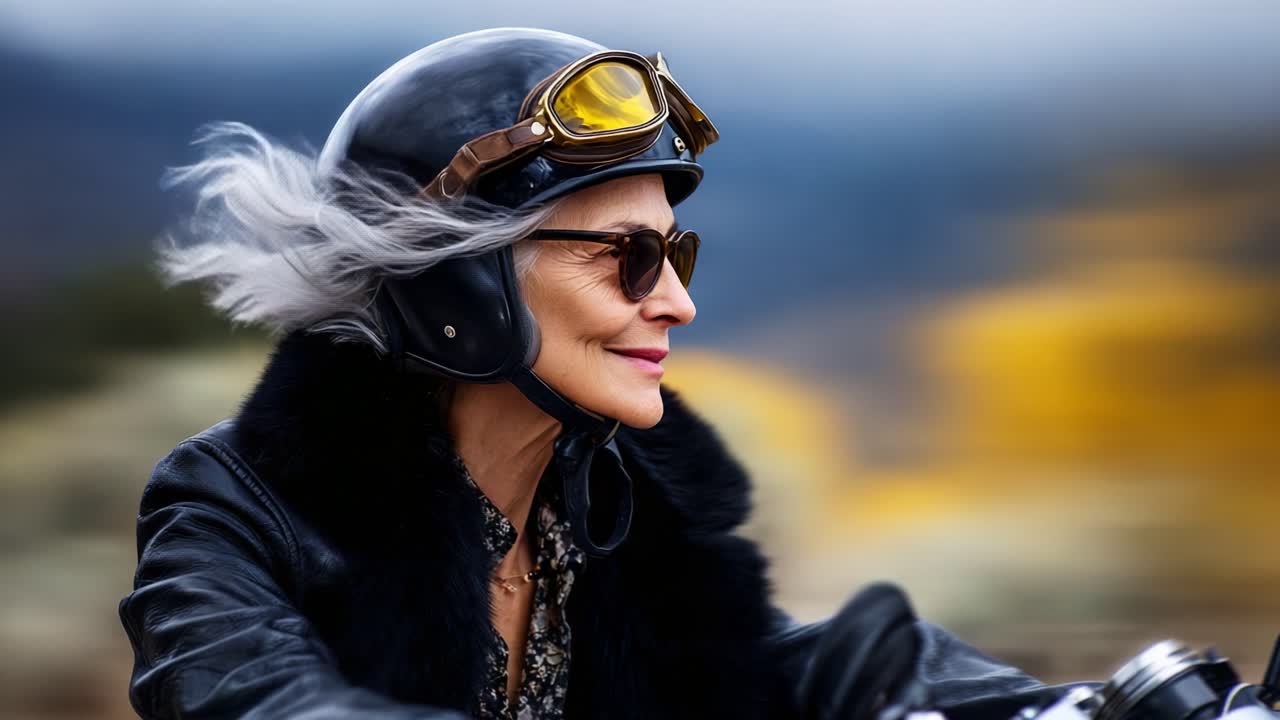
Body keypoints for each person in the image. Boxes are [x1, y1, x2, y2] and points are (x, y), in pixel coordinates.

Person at [119, 27, 1078, 720]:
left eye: (675, 254)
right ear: (463, 282)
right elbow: (255, 697)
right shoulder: (234, 509)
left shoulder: (617, 516)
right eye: (628, 257)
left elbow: (763, 666)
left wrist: (1073, 704)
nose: (677, 304)